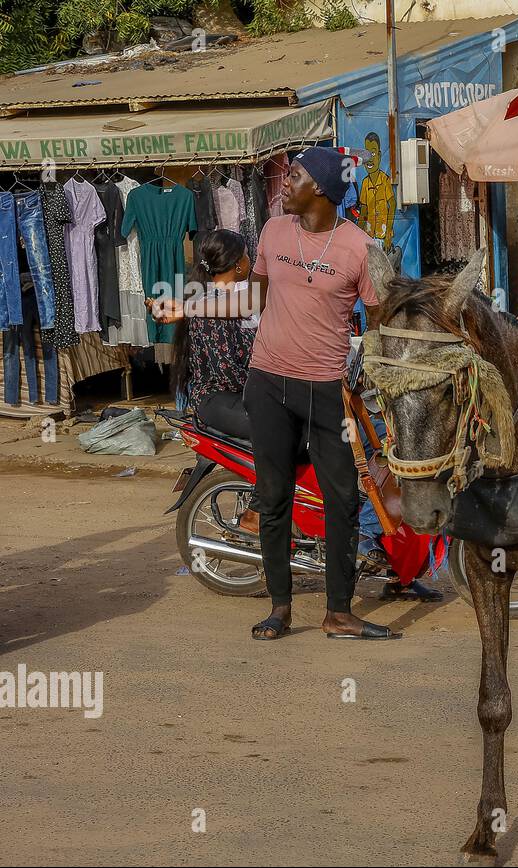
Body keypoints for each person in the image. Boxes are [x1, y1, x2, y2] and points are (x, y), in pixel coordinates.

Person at [154, 146, 394, 642]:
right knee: (274, 496)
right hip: (267, 382)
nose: (284, 183)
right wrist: (192, 305)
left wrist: (368, 371)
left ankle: (338, 612)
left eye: (296, 175)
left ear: (322, 189)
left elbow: (382, 319)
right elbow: (254, 297)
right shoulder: (272, 231)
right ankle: (280, 608)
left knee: (344, 498)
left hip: (326, 389)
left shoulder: (359, 249)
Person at [167, 228, 262, 535]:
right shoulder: (211, 308)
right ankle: (257, 514)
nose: (251, 259)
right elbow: (229, 373)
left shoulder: (235, 298)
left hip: (238, 393)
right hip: (218, 399)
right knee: (279, 432)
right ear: (237, 265)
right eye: (247, 254)